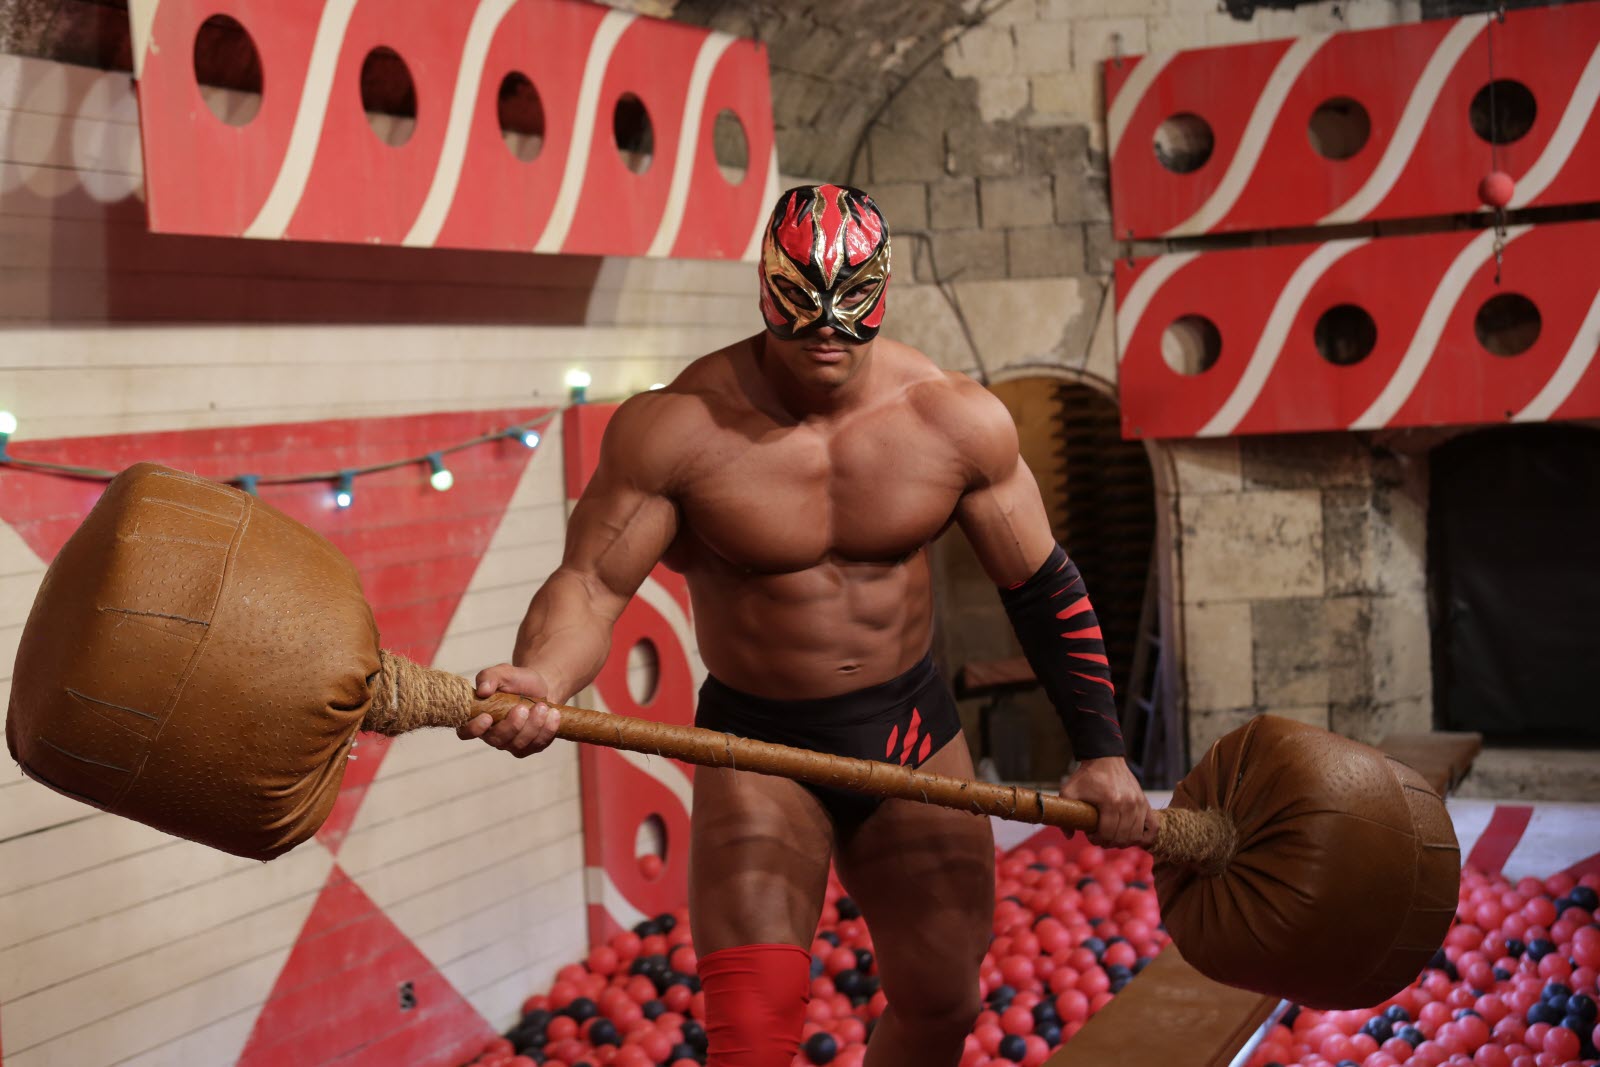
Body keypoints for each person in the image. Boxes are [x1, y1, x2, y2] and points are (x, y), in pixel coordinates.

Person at [460, 184, 1156, 1067]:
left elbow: (1042, 586)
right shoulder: (678, 428)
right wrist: (545, 679)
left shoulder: (952, 419)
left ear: (884, 291)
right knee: (749, 1039)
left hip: (909, 736)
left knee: (945, 1003)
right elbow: (591, 587)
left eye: (851, 303)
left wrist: (1102, 749)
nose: (827, 329)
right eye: (801, 303)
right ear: (764, 286)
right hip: (759, 747)